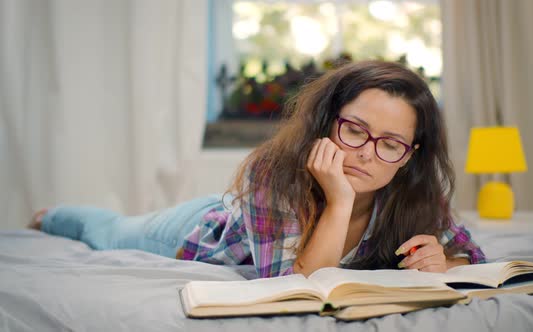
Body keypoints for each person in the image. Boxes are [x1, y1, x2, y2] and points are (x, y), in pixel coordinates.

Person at [30, 60, 485, 278]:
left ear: (409, 155)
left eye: (390, 144)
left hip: (240, 219)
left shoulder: (413, 193)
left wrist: (446, 259)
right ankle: (53, 216)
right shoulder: (274, 172)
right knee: (111, 230)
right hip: (195, 232)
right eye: (355, 131)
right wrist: (341, 198)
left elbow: (473, 255)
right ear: (328, 124)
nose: (367, 153)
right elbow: (296, 285)